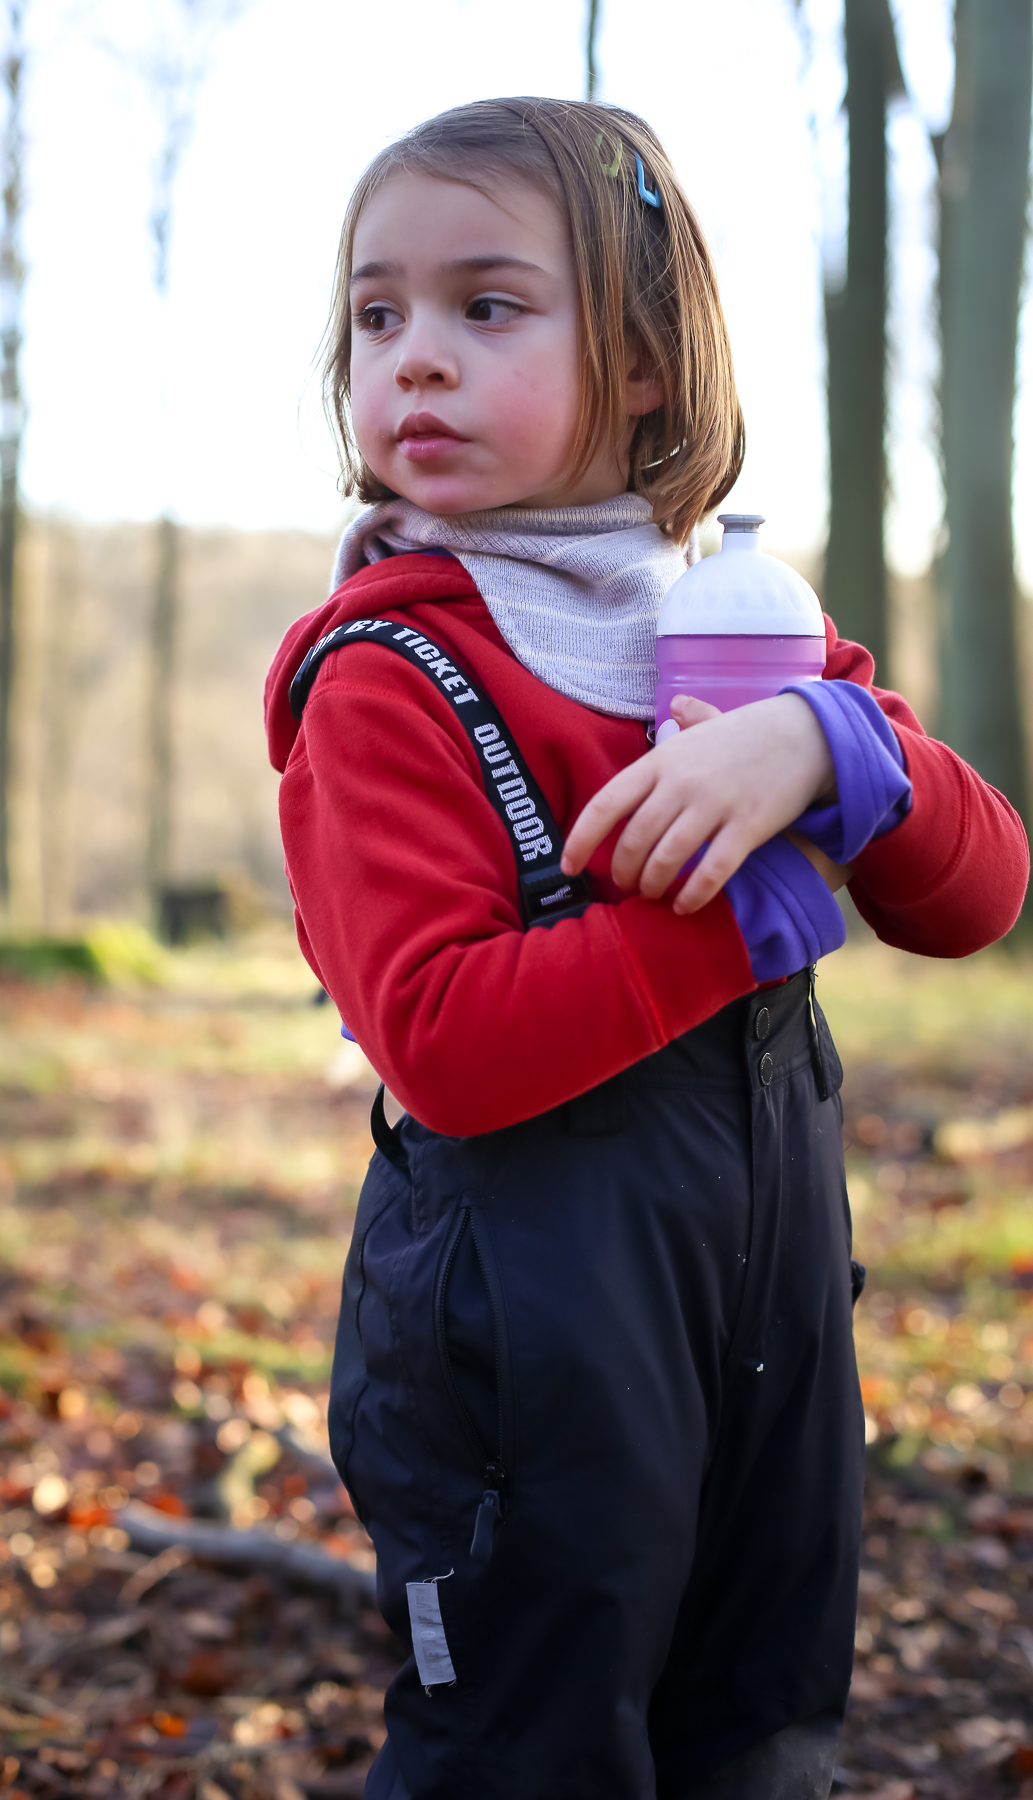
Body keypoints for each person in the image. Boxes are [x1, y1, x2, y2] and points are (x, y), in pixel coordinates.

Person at [264, 98, 1028, 1800]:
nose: (419, 363)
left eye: (488, 304)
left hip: (768, 1301)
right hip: (519, 1343)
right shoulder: (392, 679)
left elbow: (976, 895)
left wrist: (845, 750)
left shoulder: (749, 620)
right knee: (530, 1744)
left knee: (758, 1719)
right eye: (377, 318)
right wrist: (747, 922)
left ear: (650, 362)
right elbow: (445, 1043)